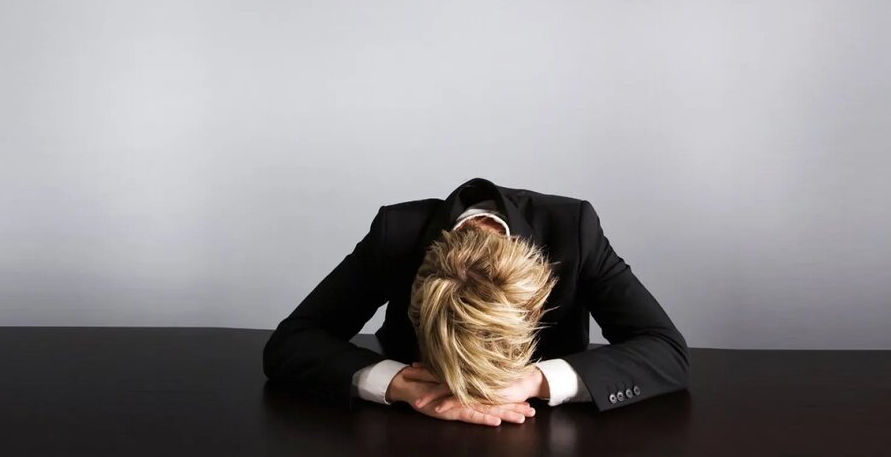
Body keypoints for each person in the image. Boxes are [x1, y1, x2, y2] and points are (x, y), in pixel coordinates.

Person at [263, 176, 690, 427]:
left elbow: (666, 349)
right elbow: (291, 341)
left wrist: (534, 380)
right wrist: (393, 382)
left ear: (537, 302)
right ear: (417, 304)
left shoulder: (574, 229)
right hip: (409, 424)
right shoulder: (396, 235)